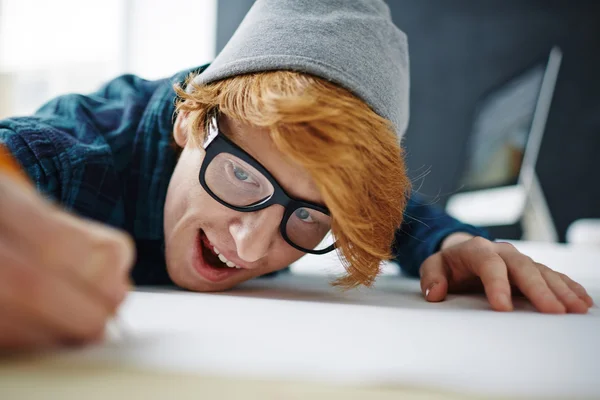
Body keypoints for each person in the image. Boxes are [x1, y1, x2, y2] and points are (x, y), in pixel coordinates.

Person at [0, 0, 592, 349]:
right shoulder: (69, 155)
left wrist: (455, 243)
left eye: (307, 218)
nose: (252, 246)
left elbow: (405, 218)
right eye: (242, 178)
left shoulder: (311, 206)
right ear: (190, 121)